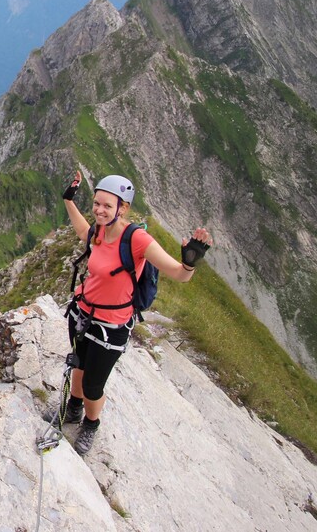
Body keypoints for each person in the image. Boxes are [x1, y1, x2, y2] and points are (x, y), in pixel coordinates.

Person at [57, 170, 212, 454]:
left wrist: (190, 262)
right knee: (78, 364)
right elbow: (83, 232)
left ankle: (91, 424)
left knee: (93, 385)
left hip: (112, 326)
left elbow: (179, 275)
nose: (99, 210)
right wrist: (69, 200)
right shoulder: (99, 230)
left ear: (123, 208)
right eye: (96, 203)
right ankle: (73, 410)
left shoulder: (137, 239)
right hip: (83, 314)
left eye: (107, 205)